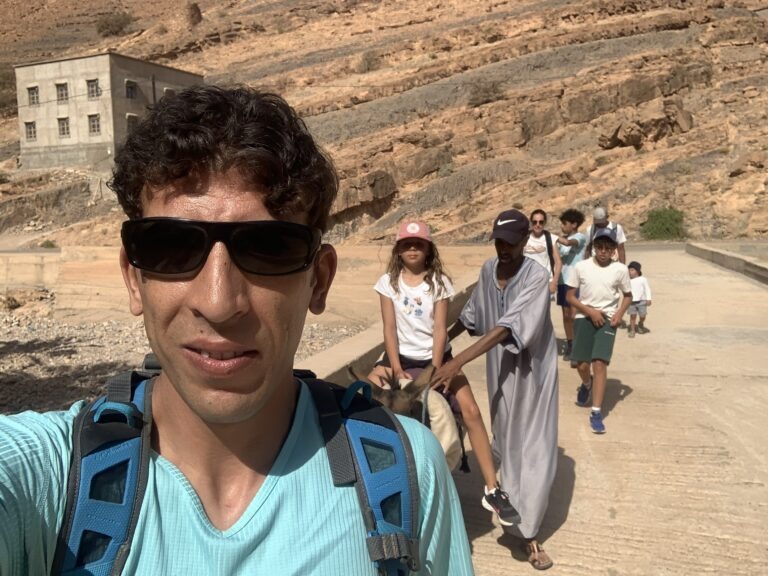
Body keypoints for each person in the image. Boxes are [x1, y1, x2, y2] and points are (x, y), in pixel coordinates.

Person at [0, 85, 473, 575]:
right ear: (133, 279)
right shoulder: (50, 477)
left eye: (268, 249)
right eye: (171, 247)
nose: (218, 303)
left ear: (319, 280)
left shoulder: (408, 471)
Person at [368, 219, 521, 526]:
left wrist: (434, 373)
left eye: (419, 244)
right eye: (407, 244)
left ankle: (492, 488)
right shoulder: (388, 283)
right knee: (367, 396)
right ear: (399, 249)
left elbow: (440, 330)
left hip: (436, 360)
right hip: (400, 358)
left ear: (428, 249)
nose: (413, 249)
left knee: (472, 410)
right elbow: (389, 328)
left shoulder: (439, 283)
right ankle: (373, 478)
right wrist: (396, 368)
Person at [430, 209, 559, 571]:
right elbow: (471, 317)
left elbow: (506, 328)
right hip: (501, 367)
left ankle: (530, 535)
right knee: (507, 439)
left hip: (533, 370)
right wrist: (436, 349)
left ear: (524, 241)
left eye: (511, 242)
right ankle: (511, 503)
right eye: (499, 241)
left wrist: (457, 363)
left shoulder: (536, 274)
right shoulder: (489, 270)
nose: (504, 248)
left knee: (534, 448)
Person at [566, 228, 632, 434]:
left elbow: (628, 296)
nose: (603, 251)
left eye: (608, 248)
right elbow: (570, 296)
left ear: (614, 250)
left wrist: (619, 314)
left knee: (599, 363)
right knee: (582, 365)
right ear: (594, 247)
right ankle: (587, 384)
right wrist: (589, 311)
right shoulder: (581, 267)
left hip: (607, 321)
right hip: (584, 318)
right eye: (600, 247)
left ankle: (596, 412)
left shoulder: (620, 270)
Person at [554, 208, 587, 361]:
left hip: (574, 281)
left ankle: (580, 346)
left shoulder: (580, 237)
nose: (562, 226)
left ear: (574, 224)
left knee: (574, 315)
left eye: (564, 223)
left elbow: (569, 242)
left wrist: (552, 237)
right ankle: (570, 344)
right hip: (562, 281)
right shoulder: (560, 241)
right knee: (566, 315)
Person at [524, 208, 562, 297]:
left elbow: (558, 262)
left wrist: (554, 282)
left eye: (541, 222)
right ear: (531, 222)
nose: (538, 225)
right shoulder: (523, 238)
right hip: (527, 283)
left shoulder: (550, 238)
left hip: (546, 283)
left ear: (544, 223)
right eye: (535, 222)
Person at [627, 260, 652, 337]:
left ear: (637, 271)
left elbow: (647, 289)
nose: (630, 272)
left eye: (632, 270)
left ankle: (640, 324)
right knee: (632, 316)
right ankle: (632, 330)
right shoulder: (627, 280)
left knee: (642, 316)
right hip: (631, 302)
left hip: (642, 301)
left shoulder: (642, 279)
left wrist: (649, 298)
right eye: (629, 270)